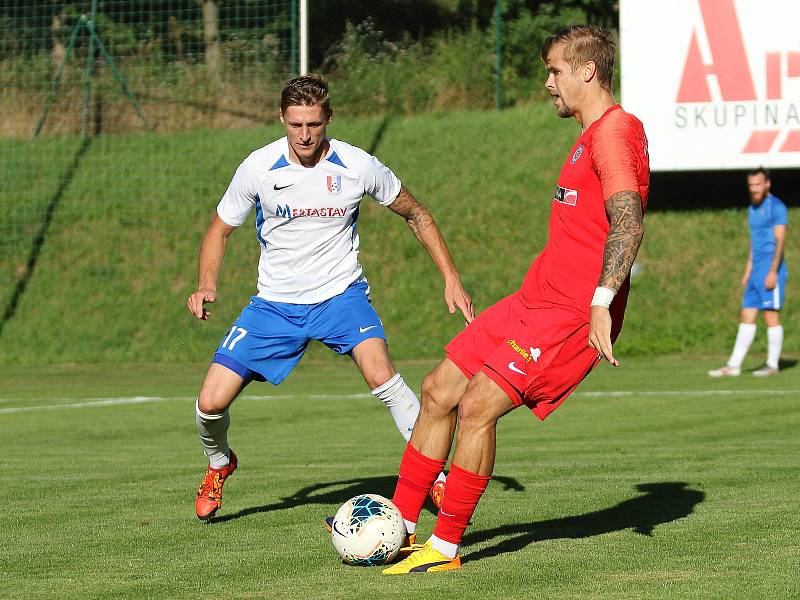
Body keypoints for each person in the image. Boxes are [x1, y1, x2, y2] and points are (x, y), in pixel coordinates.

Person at [381, 25, 649, 574]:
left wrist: (602, 301)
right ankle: (401, 527)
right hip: (533, 299)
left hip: (570, 313)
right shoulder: (587, 133)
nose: (548, 81)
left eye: (554, 69)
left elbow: (628, 222)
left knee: (478, 405)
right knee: (437, 391)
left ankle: (446, 547)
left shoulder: (615, 133)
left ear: (586, 71)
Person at [187, 74, 473, 520]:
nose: (304, 135)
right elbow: (220, 229)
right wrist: (207, 283)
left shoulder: (357, 165)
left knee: (383, 375)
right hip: (275, 305)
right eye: (296, 124)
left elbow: (417, 213)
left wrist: (450, 276)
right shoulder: (257, 168)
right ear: (282, 118)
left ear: (329, 119)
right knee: (209, 404)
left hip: (340, 296)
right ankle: (220, 463)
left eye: (314, 125)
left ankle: (435, 478)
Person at [708, 168, 788, 378]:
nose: (754, 189)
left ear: (767, 184)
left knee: (770, 317)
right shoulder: (753, 208)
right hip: (755, 272)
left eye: (758, 184)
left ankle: (772, 365)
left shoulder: (776, 207)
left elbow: (780, 241)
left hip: (772, 270)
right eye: (751, 185)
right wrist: (748, 270)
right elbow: (755, 242)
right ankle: (734, 365)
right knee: (747, 315)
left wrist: (772, 271)